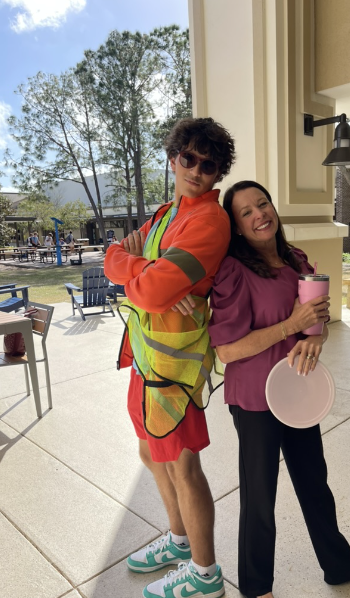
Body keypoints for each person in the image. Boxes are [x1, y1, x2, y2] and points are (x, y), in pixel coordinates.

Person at [208, 181, 350, 598]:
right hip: (256, 399)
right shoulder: (234, 272)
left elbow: (316, 322)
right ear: (236, 226)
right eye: (246, 212)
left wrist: (314, 335)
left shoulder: (297, 260)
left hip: (299, 393)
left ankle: (339, 565)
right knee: (260, 497)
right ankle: (257, 588)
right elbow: (227, 351)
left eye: (263, 203)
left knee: (314, 483)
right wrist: (291, 325)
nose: (259, 215)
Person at [104, 117, 236, 598]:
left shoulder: (208, 221)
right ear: (174, 156)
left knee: (182, 463)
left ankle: (205, 575)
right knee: (148, 450)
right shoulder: (166, 213)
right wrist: (147, 276)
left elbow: (156, 287)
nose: (197, 170)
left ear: (219, 173)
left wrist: (149, 281)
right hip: (146, 356)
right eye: (189, 158)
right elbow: (112, 256)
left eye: (209, 164)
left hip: (176, 367)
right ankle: (179, 541)